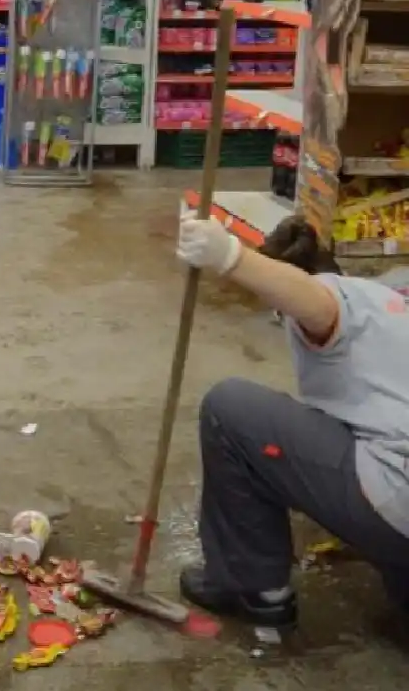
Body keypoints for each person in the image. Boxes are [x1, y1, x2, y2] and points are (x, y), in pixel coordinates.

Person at [175, 211, 409, 628]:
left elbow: (316, 302)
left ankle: (254, 588)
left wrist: (231, 256)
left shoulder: (334, 298)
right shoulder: (392, 293)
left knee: (230, 409)